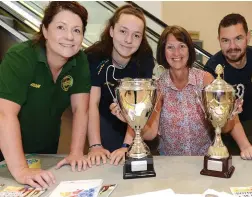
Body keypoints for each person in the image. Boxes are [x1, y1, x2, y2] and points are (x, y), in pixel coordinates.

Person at [135, 25, 252, 159]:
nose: (176, 53)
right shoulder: (158, 86)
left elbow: (227, 117)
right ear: (163, 52)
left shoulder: (205, 79)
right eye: (170, 47)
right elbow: (150, 133)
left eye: (182, 46)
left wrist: (245, 146)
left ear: (189, 50)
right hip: (171, 165)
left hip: (204, 162)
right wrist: (132, 119)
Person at [0, 2, 91, 189]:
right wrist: (20, 169)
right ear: (45, 30)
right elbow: (4, 113)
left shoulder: (80, 61)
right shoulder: (20, 57)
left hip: (43, 152)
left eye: (77, 30)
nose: (69, 37)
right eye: (60, 27)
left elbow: (80, 108)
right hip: (5, 155)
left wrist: (76, 152)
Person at [85, 4, 155, 166]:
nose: (128, 40)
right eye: (123, 31)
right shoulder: (93, 56)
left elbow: (139, 108)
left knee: (130, 158)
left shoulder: (144, 59)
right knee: (104, 159)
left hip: (132, 120)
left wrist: (126, 146)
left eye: (136, 35)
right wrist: (95, 146)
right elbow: (92, 104)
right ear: (111, 31)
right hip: (102, 117)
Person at [204, 13, 252, 155]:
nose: (232, 46)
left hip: (248, 122)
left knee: (248, 164)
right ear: (219, 40)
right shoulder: (213, 69)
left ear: (248, 36)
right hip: (220, 126)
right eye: (225, 40)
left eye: (238, 38)